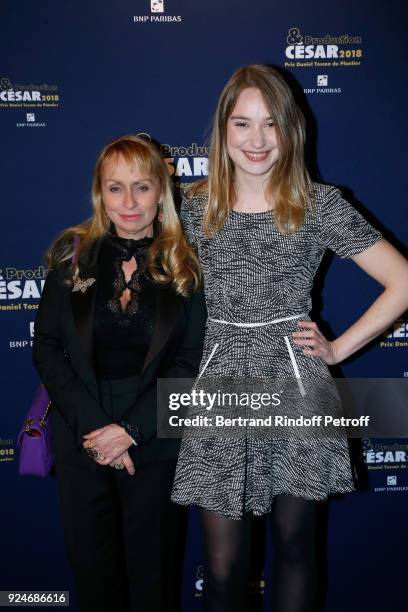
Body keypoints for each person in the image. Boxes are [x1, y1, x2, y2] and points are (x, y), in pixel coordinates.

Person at [171, 65, 408, 612]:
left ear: (291, 130)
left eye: (271, 124)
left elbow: (401, 281)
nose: (256, 140)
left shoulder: (318, 203)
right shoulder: (191, 205)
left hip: (296, 382)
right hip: (221, 385)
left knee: (296, 547)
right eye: (242, 123)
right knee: (224, 566)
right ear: (223, 131)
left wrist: (338, 348)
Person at [33, 134, 206, 612]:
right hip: (80, 430)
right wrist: (95, 427)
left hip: (153, 432)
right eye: (115, 188)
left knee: (155, 578)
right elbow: (47, 348)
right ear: (99, 193)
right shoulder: (72, 257)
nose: (129, 203)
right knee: (94, 578)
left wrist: (130, 431)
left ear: (161, 191)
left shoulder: (187, 265)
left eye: (142, 187)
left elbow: (190, 361)